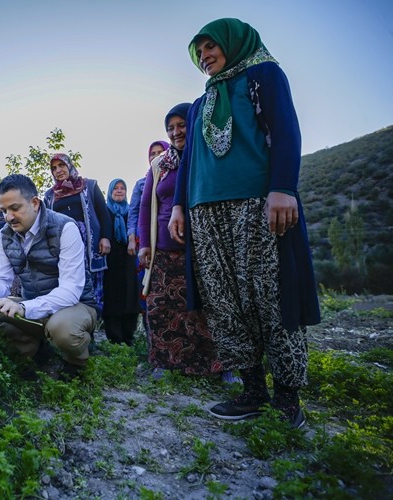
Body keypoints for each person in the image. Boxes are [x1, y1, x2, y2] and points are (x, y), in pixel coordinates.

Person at [169, 18, 320, 428]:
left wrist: (284, 187)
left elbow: (286, 130)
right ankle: (252, 390)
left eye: (210, 46)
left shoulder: (263, 74)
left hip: (256, 204)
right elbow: (189, 160)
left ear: (233, 43)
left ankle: (287, 397)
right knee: (224, 300)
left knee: (270, 295)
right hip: (205, 211)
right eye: (198, 51)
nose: (204, 56)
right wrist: (180, 206)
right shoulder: (201, 103)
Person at [0, 174, 98, 380]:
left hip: (75, 305)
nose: (8, 217)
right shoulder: (5, 235)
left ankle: (76, 361)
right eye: (4, 210)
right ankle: (33, 349)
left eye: (15, 208)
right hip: (32, 303)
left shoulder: (65, 228)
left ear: (35, 203)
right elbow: (1, 280)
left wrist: (25, 308)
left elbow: (71, 291)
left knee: (62, 328)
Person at [138, 104, 224, 378]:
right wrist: (145, 244)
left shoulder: (208, 155)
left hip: (202, 248)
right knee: (161, 308)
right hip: (164, 249)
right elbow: (145, 206)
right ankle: (165, 363)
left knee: (205, 308)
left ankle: (219, 367)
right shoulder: (159, 164)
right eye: (170, 128)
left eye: (182, 125)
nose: (176, 132)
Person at [43, 153, 112, 312]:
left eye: (61, 165)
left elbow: (103, 214)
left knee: (91, 282)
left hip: (89, 242)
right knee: (69, 279)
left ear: (69, 165)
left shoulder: (89, 186)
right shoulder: (50, 196)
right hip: (64, 244)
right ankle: (73, 319)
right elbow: (46, 222)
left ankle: (93, 320)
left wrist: (105, 238)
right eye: (54, 168)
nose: (58, 170)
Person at [127, 141, 170, 318]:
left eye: (160, 152)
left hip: (168, 237)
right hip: (145, 239)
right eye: (152, 153)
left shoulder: (176, 178)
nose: (156, 156)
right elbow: (134, 211)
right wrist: (131, 238)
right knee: (146, 283)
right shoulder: (141, 184)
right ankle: (149, 331)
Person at [102, 179, 139, 345]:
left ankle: (128, 337)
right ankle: (114, 340)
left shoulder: (131, 211)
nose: (119, 191)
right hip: (109, 261)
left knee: (130, 296)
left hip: (129, 259)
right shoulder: (104, 211)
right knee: (112, 296)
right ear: (110, 192)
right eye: (115, 188)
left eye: (122, 188)